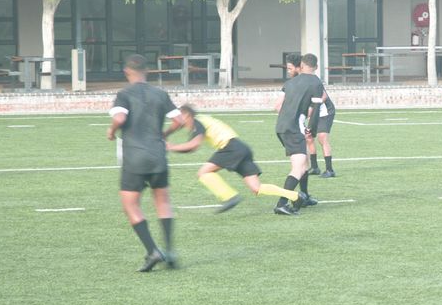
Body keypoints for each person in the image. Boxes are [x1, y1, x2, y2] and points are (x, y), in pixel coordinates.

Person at [107, 54, 179, 272]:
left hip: (135, 157)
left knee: (130, 204)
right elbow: (180, 120)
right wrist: (164, 134)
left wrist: (111, 132)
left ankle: (153, 250)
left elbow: (120, 119)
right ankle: (170, 250)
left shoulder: (124, 94)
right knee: (163, 202)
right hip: (158, 155)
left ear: (127, 72)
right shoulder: (160, 93)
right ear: (146, 71)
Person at [166, 105, 302, 212]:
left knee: (203, 172)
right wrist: (165, 134)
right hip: (241, 147)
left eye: (180, 118)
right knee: (257, 188)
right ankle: (295, 196)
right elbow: (182, 135)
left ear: (186, 114)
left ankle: (229, 197)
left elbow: (194, 145)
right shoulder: (201, 119)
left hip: (230, 148)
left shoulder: (197, 122)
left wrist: (171, 147)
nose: (179, 123)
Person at [272, 52, 325, 215]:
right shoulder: (316, 82)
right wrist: (312, 130)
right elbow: (316, 109)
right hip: (294, 128)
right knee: (299, 167)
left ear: (301, 66)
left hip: (281, 127)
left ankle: (305, 196)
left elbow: (279, 106)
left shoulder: (290, 82)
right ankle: (282, 203)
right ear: (316, 67)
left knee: (305, 159)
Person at [299, 53, 337, 178]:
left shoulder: (316, 81)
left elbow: (324, 96)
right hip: (314, 112)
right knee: (309, 137)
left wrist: (313, 107)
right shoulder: (302, 80)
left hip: (325, 112)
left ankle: (330, 170)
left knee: (322, 138)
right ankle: (314, 167)